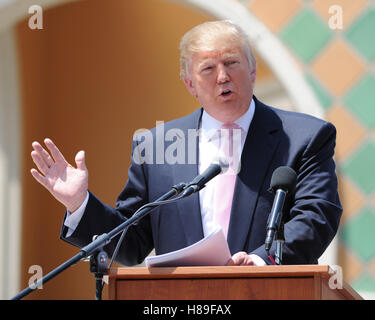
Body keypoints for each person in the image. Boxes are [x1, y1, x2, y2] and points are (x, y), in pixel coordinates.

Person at [30, 20, 342, 266]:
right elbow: (132, 243)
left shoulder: (304, 137)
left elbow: (316, 215)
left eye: (231, 63)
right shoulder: (156, 145)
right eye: (208, 68)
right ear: (190, 84)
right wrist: (78, 204)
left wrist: (261, 260)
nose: (222, 77)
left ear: (252, 70)